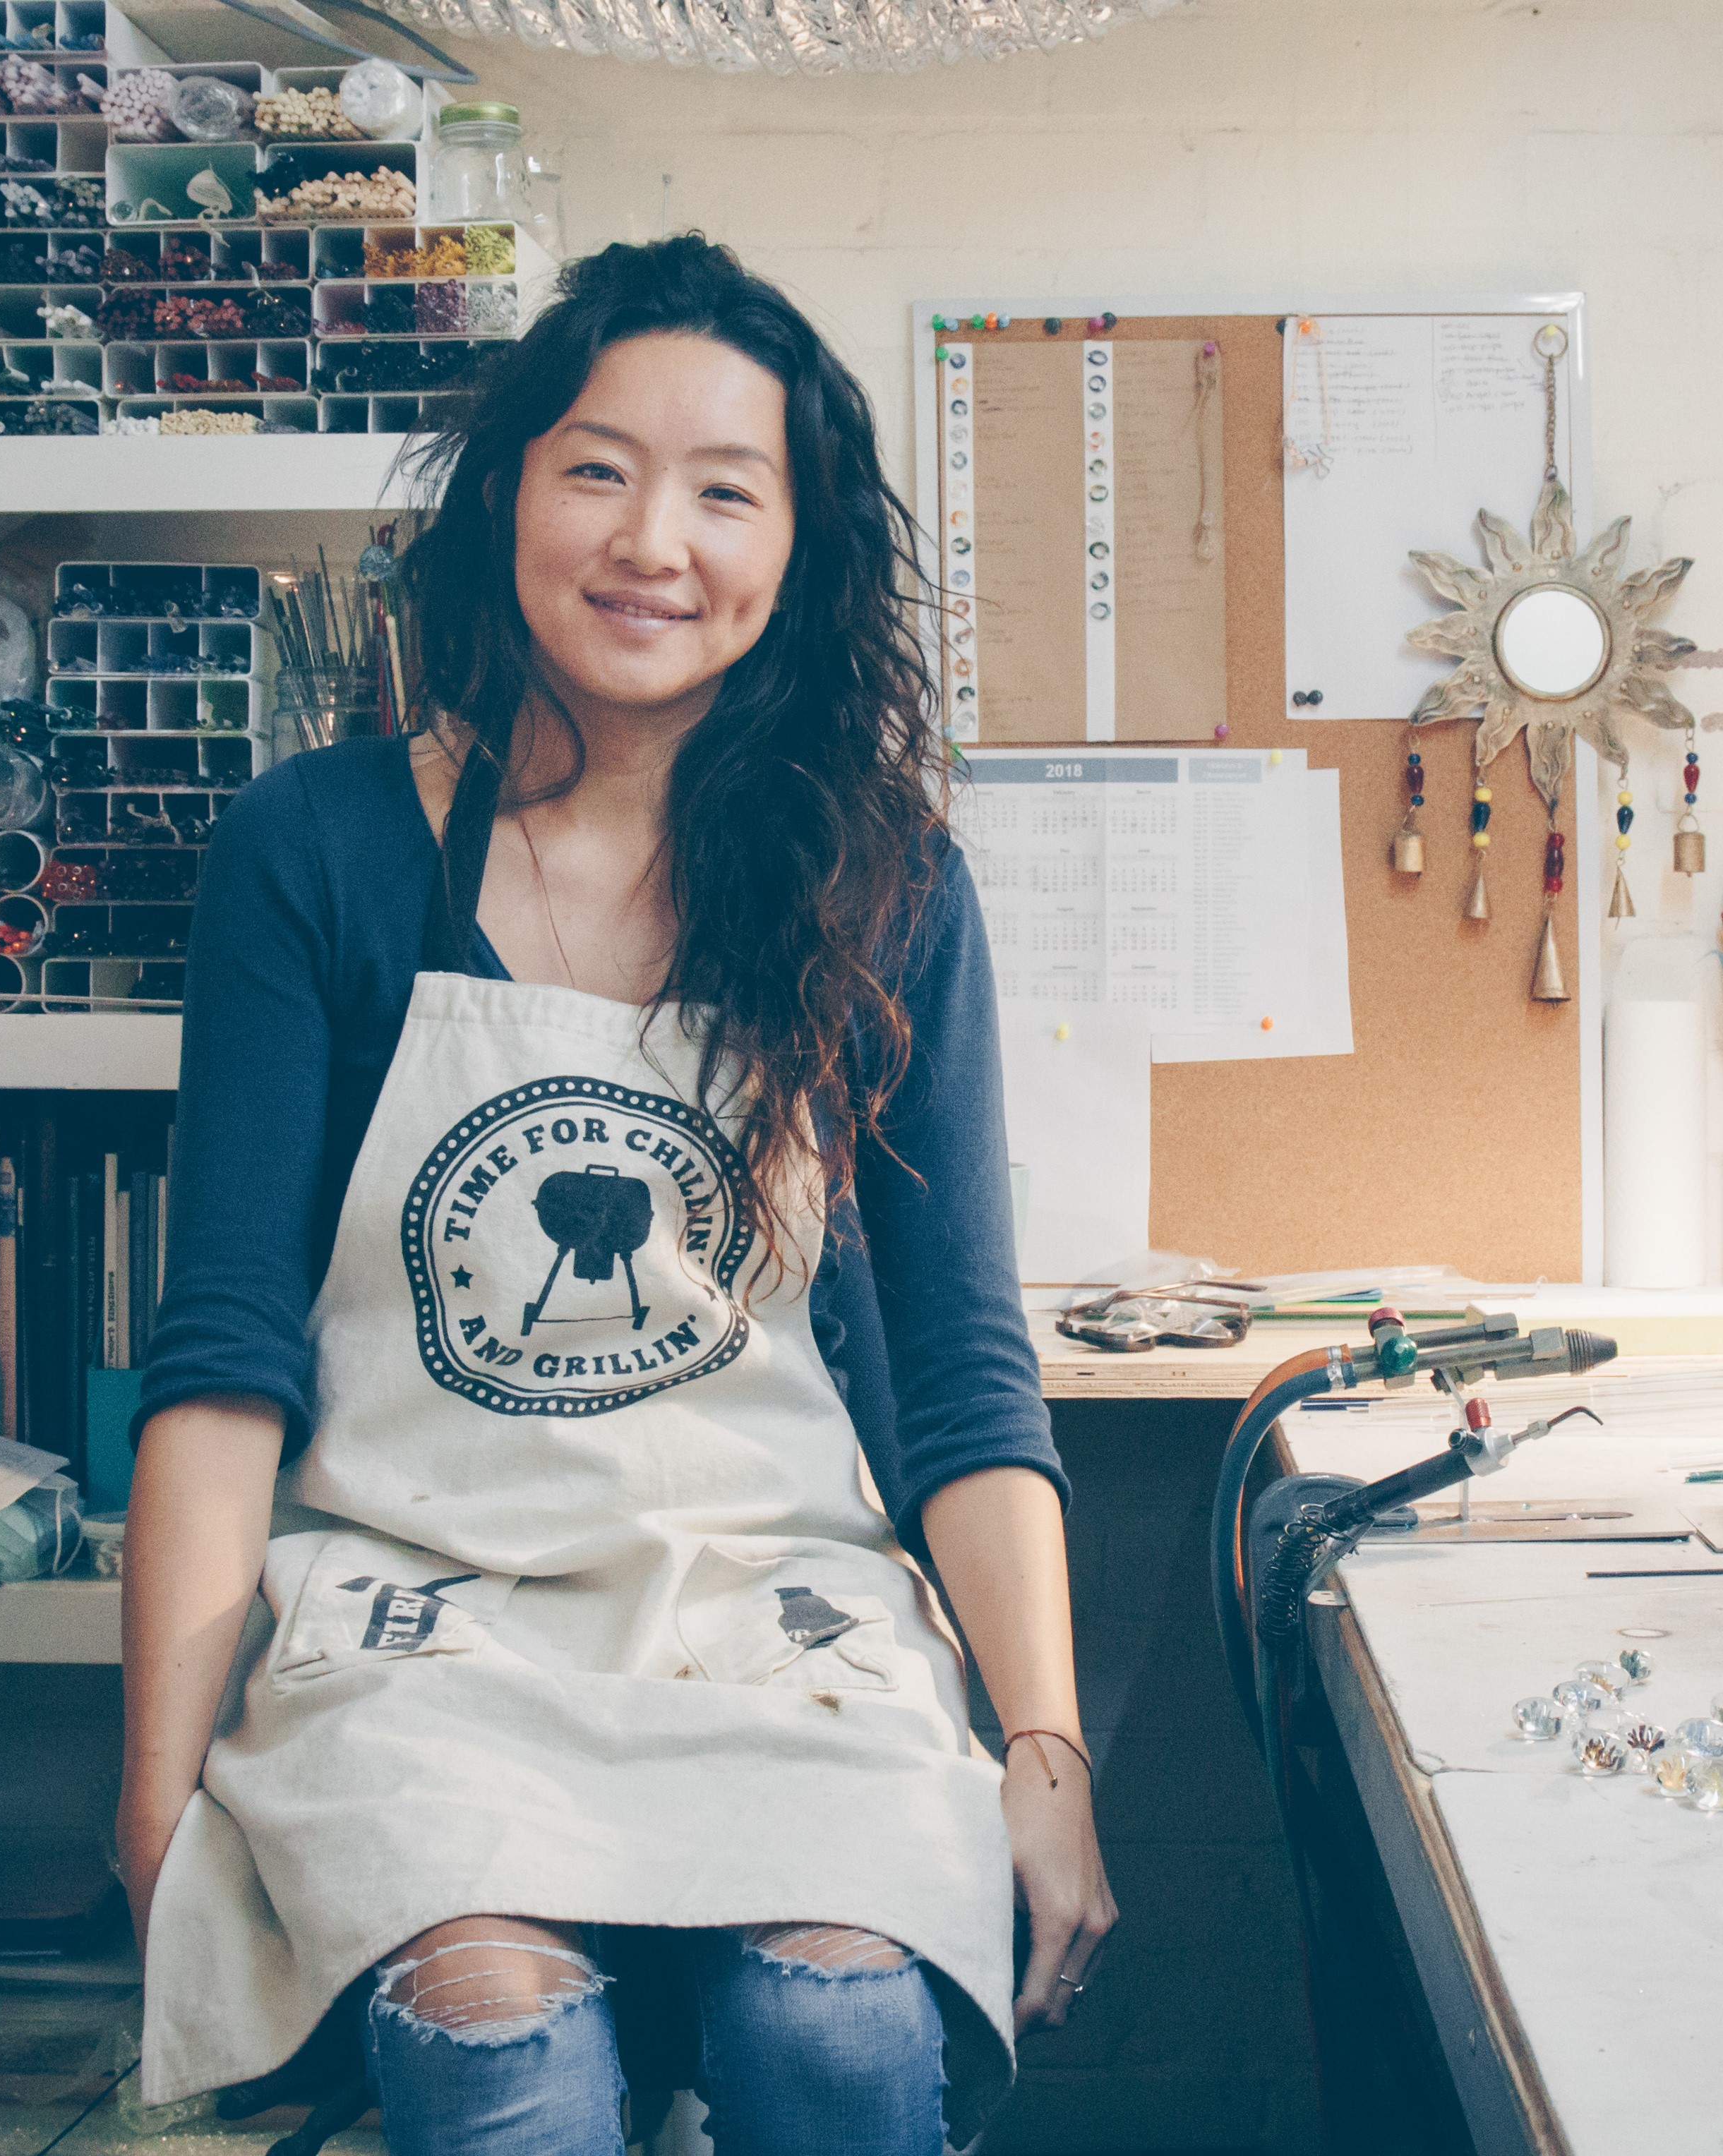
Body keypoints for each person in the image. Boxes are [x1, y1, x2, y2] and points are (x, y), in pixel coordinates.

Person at [119, 234, 1116, 2156]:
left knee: (832, 2037)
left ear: (797, 552)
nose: (653, 537)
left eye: (724, 490)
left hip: (780, 1625)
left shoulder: (886, 888)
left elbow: (974, 1371)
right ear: (504, 492)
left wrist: (1047, 1753)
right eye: (597, 466)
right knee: (508, 2060)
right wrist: (153, 1792)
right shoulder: (313, 852)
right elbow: (225, 1357)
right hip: (421, 1630)